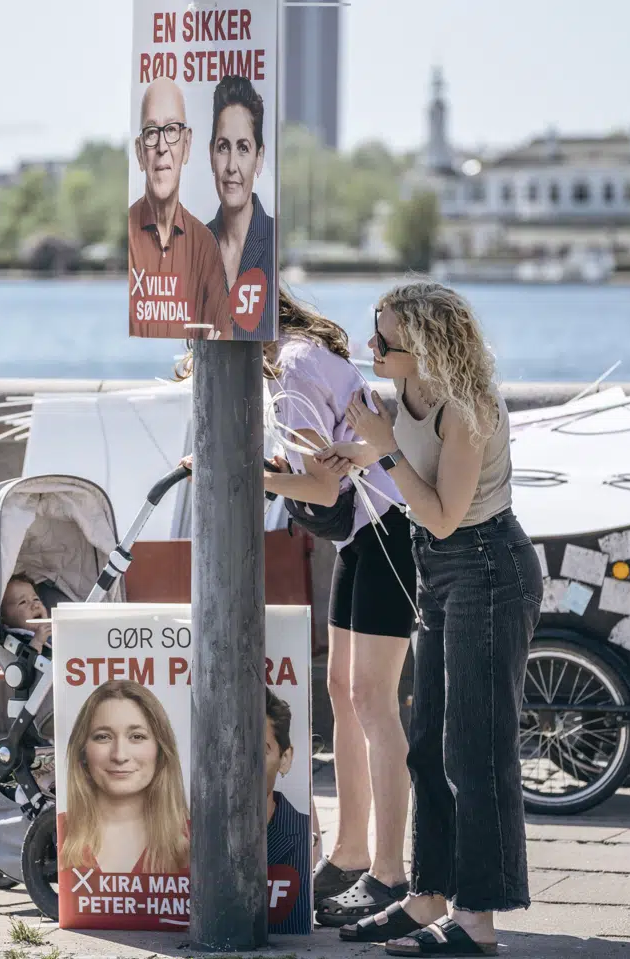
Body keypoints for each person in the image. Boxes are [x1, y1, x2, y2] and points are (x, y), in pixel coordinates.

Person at [316, 281, 540, 956]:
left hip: (489, 567)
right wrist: (354, 453)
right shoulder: (401, 396)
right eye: (373, 333)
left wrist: (380, 447)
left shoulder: (467, 408)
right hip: (441, 571)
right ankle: (428, 895)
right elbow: (410, 466)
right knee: (427, 743)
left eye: (384, 340)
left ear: (427, 345)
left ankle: (477, 918)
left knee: (477, 750)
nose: (370, 347)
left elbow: (442, 512)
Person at [181, 288, 418, 924]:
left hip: (392, 527)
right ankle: (348, 853)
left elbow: (318, 483)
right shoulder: (295, 359)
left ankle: (390, 872)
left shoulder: (288, 370)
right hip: (364, 530)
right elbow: (321, 471)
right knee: (342, 692)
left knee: (372, 701)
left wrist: (228, 468)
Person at [128, 77, 232, 340]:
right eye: (152, 133)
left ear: (186, 146)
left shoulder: (204, 244)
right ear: (140, 152)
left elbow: (222, 334)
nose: (162, 147)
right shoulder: (127, 231)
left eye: (172, 131)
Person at [60, 679, 189, 874]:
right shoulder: (61, 829)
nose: (119, 755)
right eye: (103, 737)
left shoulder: (194, 836)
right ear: (82, 750)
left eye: (137, 737)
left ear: (161, 750)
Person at [206, 73, 275, 340]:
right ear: (211, 154)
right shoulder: (194, 246)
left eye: (243, 148)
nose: (232, 165)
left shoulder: (273, 241)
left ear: (259, 158)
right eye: (224, 147)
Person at [264, 688, 311, 936]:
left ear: (285, 759)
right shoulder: (183, 838)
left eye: (260, 749)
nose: (239, 762)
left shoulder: (301, 835)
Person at [0, 573, 50, 650]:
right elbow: (26, 660)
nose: (35, 605)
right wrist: (37, 642)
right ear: (4, 618)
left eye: (36, 599)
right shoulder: (16, 641)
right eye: (23, 602)